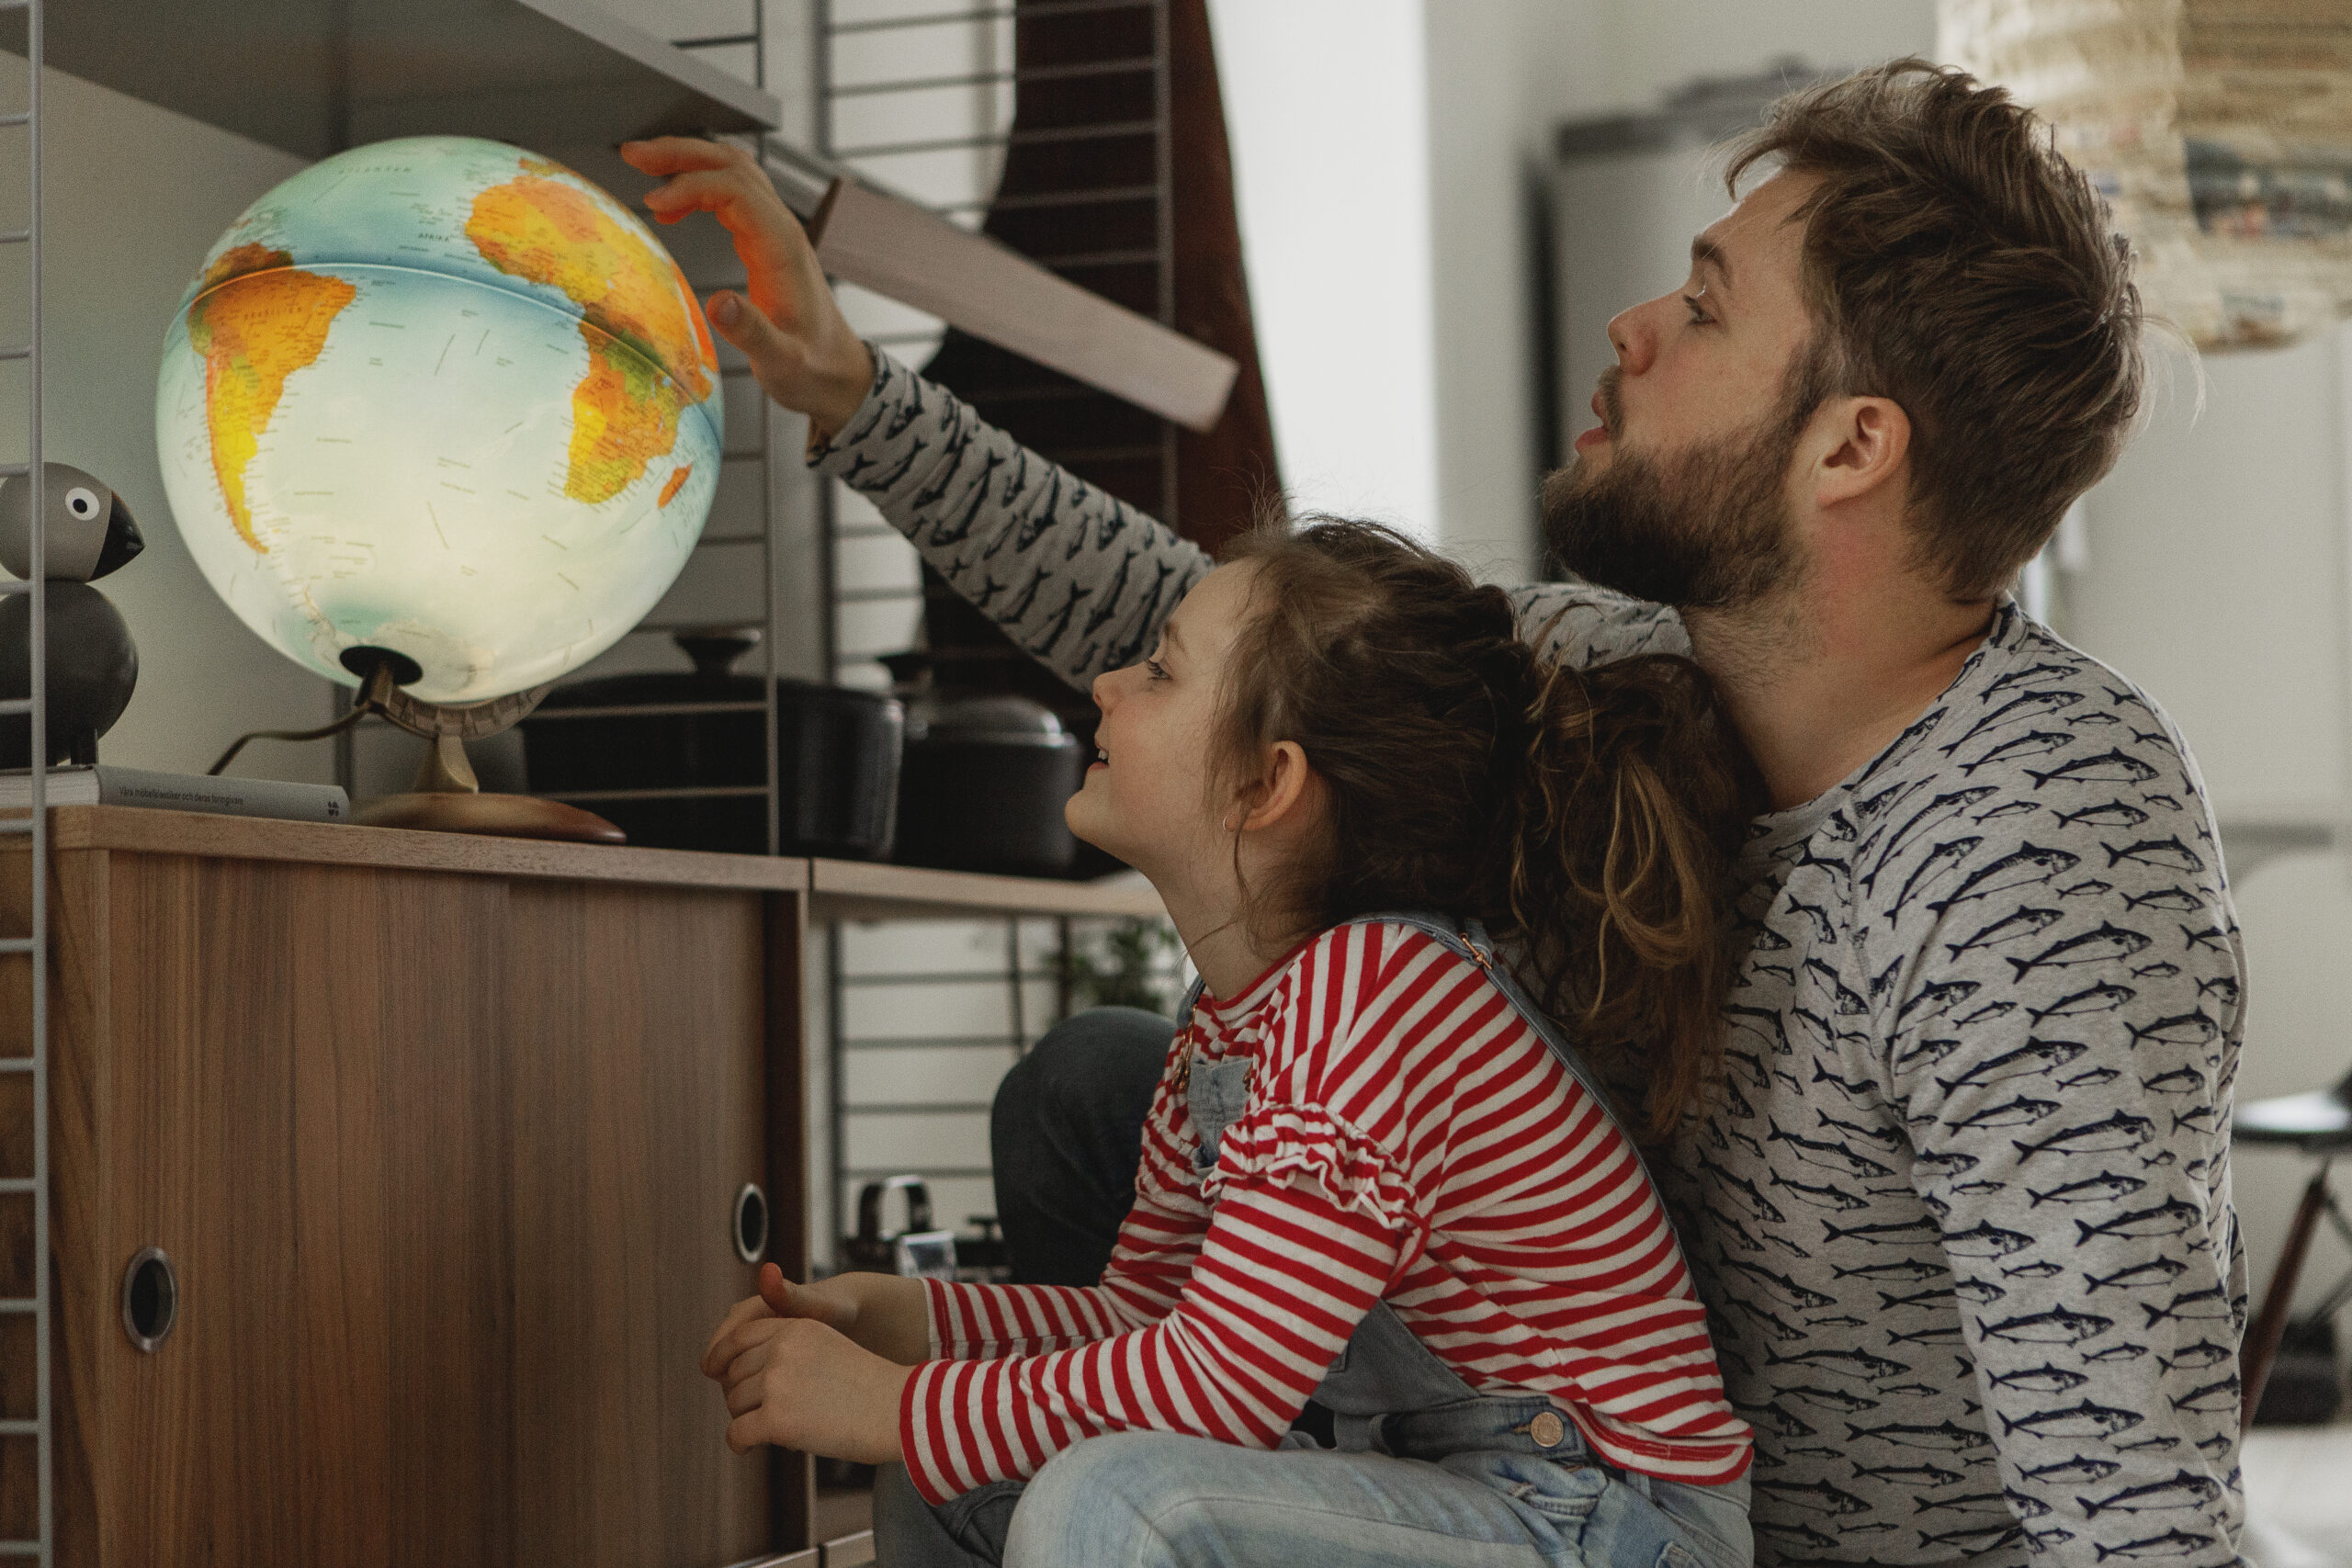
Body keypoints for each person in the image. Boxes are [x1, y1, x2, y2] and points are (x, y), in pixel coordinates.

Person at [625, 53, 2249, 1568]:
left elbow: (2135, 1484)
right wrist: (856, 395)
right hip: (1477, 1429)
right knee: (1094, 1092)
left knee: (1124, 1444)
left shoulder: (2045, 838)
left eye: (1702, 308)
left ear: (1851, 448)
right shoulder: (1613, 664)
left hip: (1684, 1522)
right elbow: (1204, 640)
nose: (1632, 326)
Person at [701, 517, 1763, 1567]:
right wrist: (918, 1324)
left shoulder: (1373, 996)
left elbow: (1220, 1384)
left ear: (1264, 785)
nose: (1106, 684)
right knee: (943, 1477)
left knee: (1110, 1494)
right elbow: (1146, 1318)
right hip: (1463, 1489)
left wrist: (896, 1403)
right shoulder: (1228, 1024)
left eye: (1159, 672)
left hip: (1610, 1522)